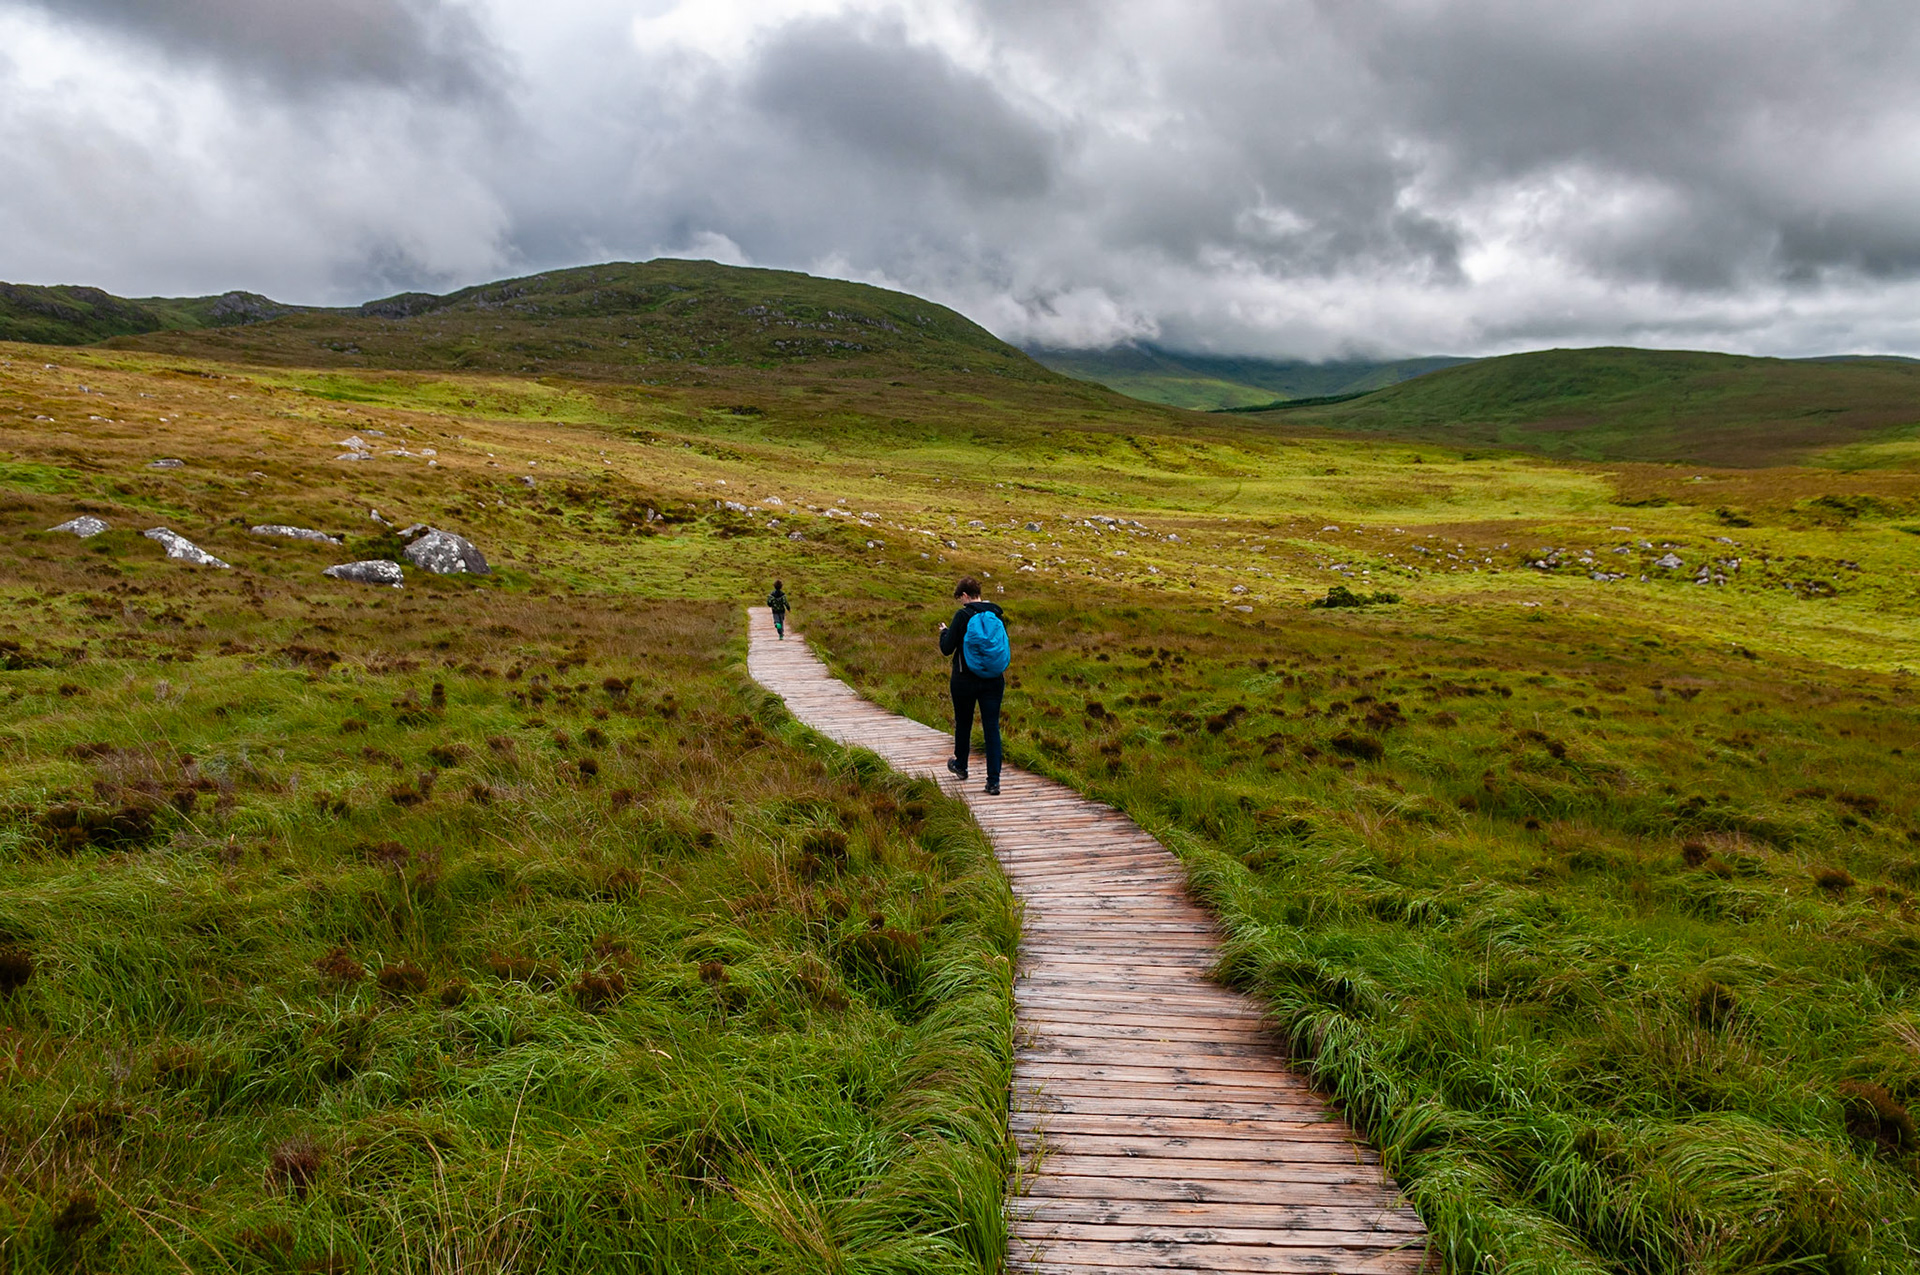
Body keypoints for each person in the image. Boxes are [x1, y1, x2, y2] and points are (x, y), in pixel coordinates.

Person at [938, 576, 1007, 795]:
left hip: (964, 679)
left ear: (966, 595)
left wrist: (944, 632)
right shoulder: (996, 614)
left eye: (961, 598)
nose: (961, 602)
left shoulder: (963, 615)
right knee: (991, 728)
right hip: (994, 680)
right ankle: (993, 781)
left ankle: (961, 766)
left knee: (964, 723)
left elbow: (947, 648)